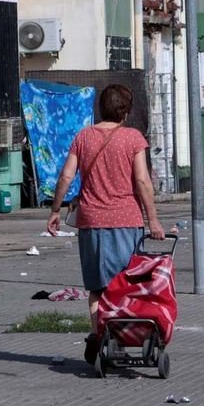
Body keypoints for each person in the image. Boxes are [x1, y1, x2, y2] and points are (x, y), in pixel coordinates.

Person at [45, 84, 164, 359]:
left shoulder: (83, 136)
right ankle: (125, 339)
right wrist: (154, 221)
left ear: (101, 108)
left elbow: (66, 176)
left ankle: (100, 335)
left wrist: (54, 210)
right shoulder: (133, 139)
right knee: (128, 284)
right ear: (125, 112)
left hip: (91, 222)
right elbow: (143, 181)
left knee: (98, 288)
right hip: (127, 221)